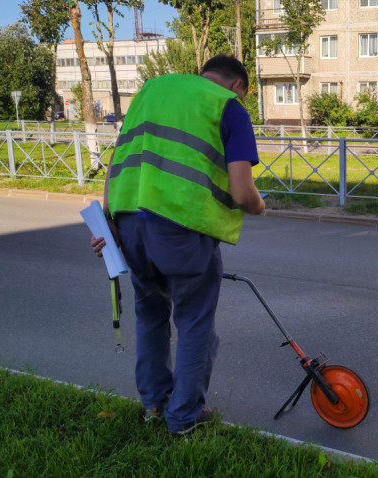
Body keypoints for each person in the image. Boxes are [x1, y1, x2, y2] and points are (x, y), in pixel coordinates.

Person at [90, 54, 265, 436]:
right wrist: (260, 206)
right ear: (237, 85)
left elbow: (119, 157)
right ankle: (184, 417)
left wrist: (109, 220)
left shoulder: (152, 91)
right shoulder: (228, 106)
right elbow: (242, 193)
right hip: (183, 230)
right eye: (243, 95)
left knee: (150, 316)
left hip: (129, 222)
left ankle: (154, 404)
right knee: (195, 323)